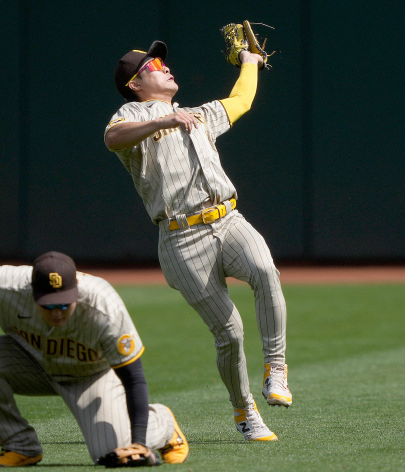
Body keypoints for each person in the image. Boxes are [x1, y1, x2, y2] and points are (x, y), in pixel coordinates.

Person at [104, 41, 291, 442]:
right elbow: (113, 139)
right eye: (154, 64)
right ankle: (245, 413)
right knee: (231, 333)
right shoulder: (132, 114)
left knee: (265, 271)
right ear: (136, 84)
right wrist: (161, 122)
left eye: (163, 61)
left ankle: (276, 368)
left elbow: (241, 99)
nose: (166, 67)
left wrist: (250, 62)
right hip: (181, 238)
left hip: (228, 219)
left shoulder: (199, 115)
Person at [0, 251, 188, 467]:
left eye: (64, 304)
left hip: (90, 377)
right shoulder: (4, 283)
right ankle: (19, 446)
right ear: (33, 293)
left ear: (76, 291)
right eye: (49, 306)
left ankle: (163, 424)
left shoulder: (103, 305)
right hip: (32, 362)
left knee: (110, 453)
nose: (57, 313)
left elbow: (134, 378)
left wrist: (138, 442)